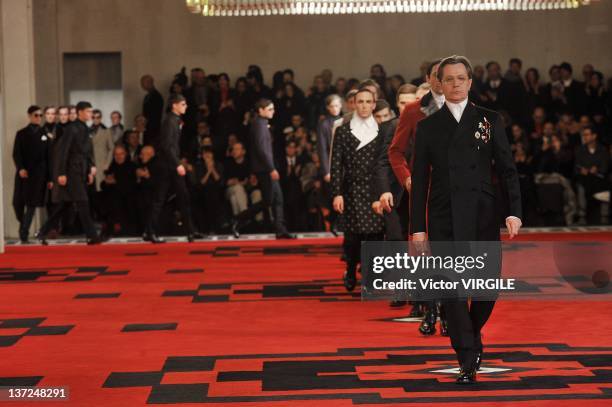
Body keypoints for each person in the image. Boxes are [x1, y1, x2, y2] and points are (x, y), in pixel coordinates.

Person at [410, 55, 522, 384]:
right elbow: (419, 183)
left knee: (486, 288)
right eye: (450, 80)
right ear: (439, 85)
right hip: (444, 216)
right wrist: (417, 229)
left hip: (483, 214)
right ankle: (467, 355)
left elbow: (507, 169)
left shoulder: (490, 120)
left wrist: (514, 210)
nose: (456, 84)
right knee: (453, 291)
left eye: (462, 79)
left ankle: (471, 336)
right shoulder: (427, 127)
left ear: (470, 82)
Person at [388, 59, 447, 332]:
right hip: (422, 191)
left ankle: (448, 312)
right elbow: (395, 151)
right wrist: (408, 178)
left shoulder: (463, 106)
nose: (442, 80)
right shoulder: (413, 110)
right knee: (423, 251)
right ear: (428, 77)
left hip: (454, 191)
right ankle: (430, 310)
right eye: (436, 75)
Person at [331, 86, 384, 291]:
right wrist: (336, 193)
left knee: (375, 235)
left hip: (374, 190)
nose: (363, 105)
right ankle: (351, 269)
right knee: (353, 236)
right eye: (359, 101)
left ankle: (370, 276)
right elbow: (336, 164)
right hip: (351, 190)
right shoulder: (344, 131)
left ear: (373, 104)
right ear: (354, 104)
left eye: (367, 102)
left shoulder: (381, 129)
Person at [37, 101, 104, 245]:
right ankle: (92, 236)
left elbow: (86, 152)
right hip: (70, 172)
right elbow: (63, 152)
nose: (90, 114)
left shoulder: (85, 128)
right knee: (83, 201)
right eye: (88, 111)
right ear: (80, 112)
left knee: (65, 205)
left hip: (80, 170)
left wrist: (90, 169)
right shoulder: (72, 129)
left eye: (91, 111)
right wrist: (61, 173)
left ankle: (42, 232)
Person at [144, 93, 202, 243]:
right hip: (167, 166)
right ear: (174, 105)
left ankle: (190, 230)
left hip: (170, 164)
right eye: (183, 104)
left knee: (181, 197)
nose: (186, 106)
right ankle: (150, 231)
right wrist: (178, 164)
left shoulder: (174, 120)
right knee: (162, 199)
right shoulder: (170, 121)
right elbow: (167, 146)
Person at [233, 98, 295, 239]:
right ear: (261, 110)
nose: (273, 112)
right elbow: (262, 150)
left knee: (273, 199)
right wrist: (271, 168)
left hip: (264, 167)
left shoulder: (261, 124)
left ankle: (280, 229)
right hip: (265, 168)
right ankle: (239, 219)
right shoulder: (259, 125)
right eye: (270, 109)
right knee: (272, 199)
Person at [12, 106, 50, 243]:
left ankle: (24, 233)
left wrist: (50, 177)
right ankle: (23, 227)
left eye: (41, 115)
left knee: (32, 205)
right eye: (36, 115)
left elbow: (49, 156)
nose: (39, 118)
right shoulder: (21, 133)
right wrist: (21, 168)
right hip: (24, 174)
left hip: (39, 175)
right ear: (29, 116)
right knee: (17, 203)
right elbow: (16, 153)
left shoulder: (45, 134)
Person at [141, 74, 164, 139]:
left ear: (149, 83)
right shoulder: (147, 96)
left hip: (153, 128)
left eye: (143, 83)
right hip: (147, 127)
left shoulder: (157, 96)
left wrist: (145, 122)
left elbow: (155, 115)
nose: (142, 85)